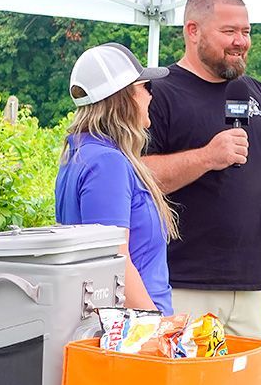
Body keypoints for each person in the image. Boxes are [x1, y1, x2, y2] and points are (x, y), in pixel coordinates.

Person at [142, 0, 261, 338]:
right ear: (192, 31)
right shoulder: (160, 93)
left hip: (250, 282)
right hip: (183, 282)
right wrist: (206, 157)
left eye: (246, 32)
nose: (240, 42)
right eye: (228, 31)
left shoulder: (256, 91)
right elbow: (139, 176)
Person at [55, 42, 177, 313]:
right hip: (134, 331)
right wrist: (156, 326)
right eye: (146, 87)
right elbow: (114, 262)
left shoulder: (82, 153)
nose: (150, 97)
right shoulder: (107, 163)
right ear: (125, 97)